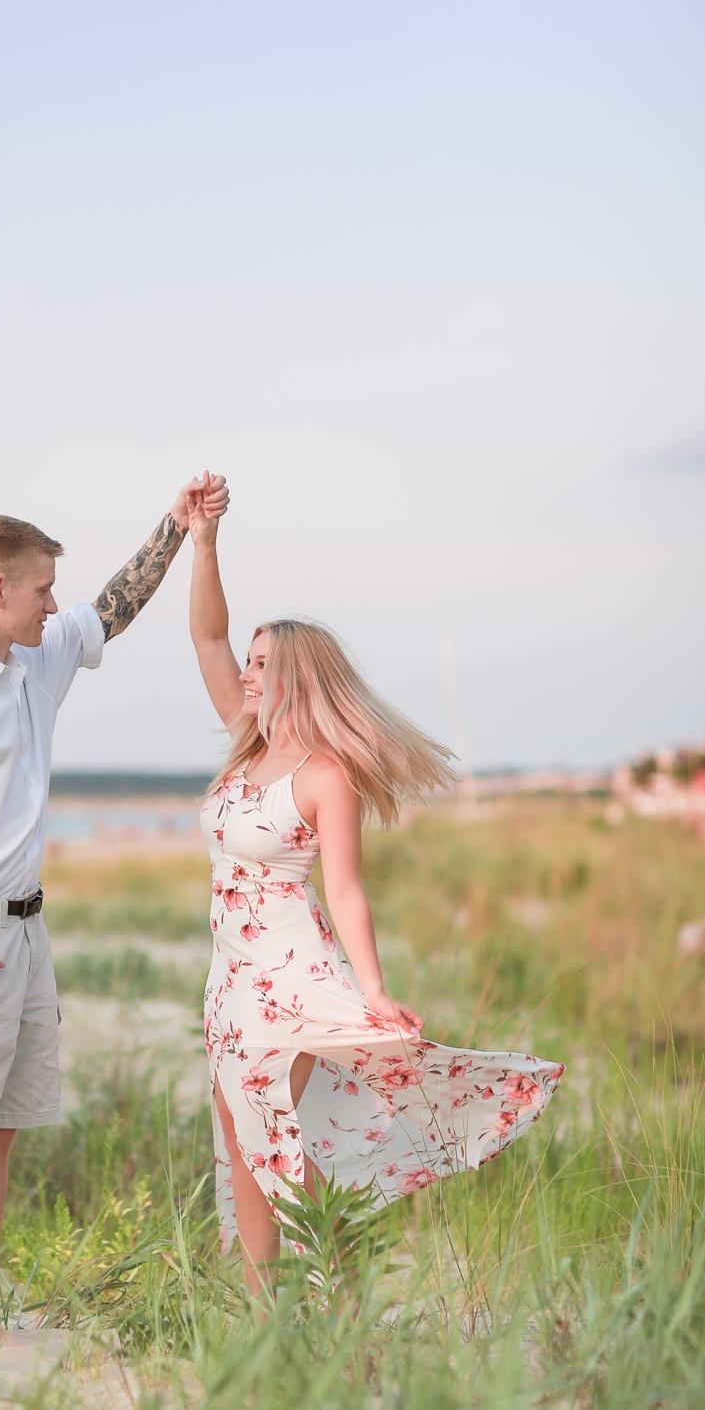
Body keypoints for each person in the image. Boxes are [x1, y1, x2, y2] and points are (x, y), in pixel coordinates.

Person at [0, 474, 229, 1341]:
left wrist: (180, 528)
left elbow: (114, 607)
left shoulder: (38, 657)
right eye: (40, 589)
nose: (52, 605)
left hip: (26, 931)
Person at [187, 495, 564, 1294]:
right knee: (242, 1129)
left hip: (289, 978)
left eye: (262, 664)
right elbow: (205, 634)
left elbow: (346, 891)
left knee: (262, 1129)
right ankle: (317, 1291)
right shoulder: (245, 740)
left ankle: (288, 1305)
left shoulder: (324, 775)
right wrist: (206, 542)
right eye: (249, 662)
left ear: (295, 675)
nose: (246, 673)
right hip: (228, 977)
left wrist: (376, 987)